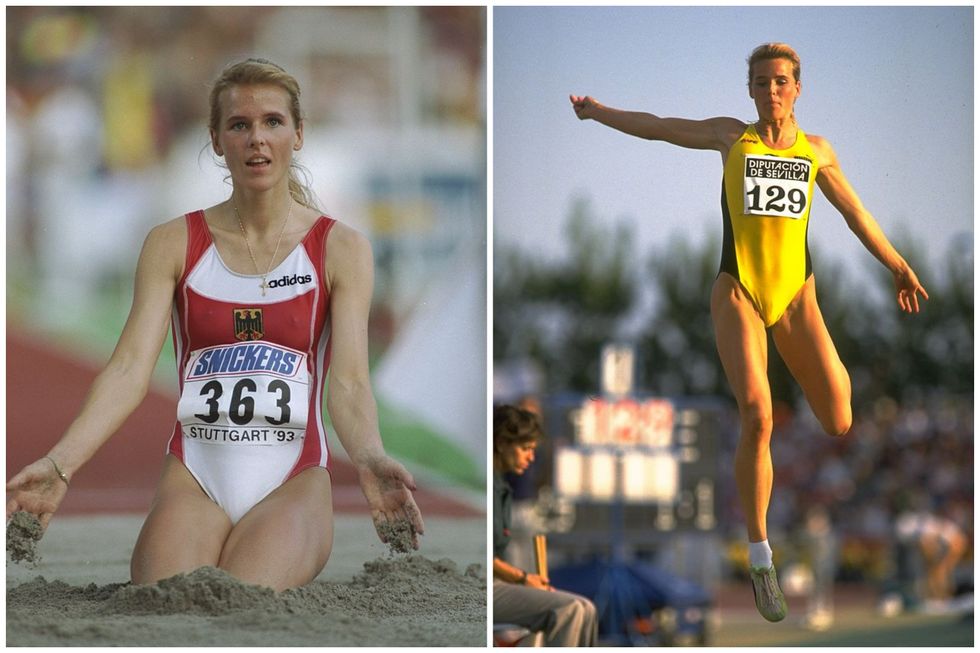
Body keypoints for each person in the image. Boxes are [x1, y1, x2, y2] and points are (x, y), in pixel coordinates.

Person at [6, 58, 424, 592]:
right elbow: (130, 368)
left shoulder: (341, 248)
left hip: (292, 480)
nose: (257, 139)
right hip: (196, 476)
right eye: (239, 124)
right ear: (216, 139)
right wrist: (60, 464)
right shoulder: (172, 242)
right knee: (167, 602)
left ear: (299, 134)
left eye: (273, 122)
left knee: (239, 602)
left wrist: (367, 456)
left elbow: (348, 382)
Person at [570, 43, 928, 622]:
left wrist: (898, 265)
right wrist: (599, 112)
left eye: (781, 82)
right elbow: (661, 128)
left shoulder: (817, 152)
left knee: (840, 419)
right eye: (761, 83)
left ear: (798, 88)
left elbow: (856, 213)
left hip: (795, 299)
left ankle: (770, 523)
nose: (771, 92)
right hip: (736, 290)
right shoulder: (731, 138)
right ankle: (761, 554)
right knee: (757, 413)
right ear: (751, 90)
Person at [493, 404, 598, 647]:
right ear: (500, 444)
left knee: (587, 608)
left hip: (501, 582)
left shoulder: (503, 488)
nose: (531, 457)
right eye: (525, 449)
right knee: (570, 610)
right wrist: (522, 579)